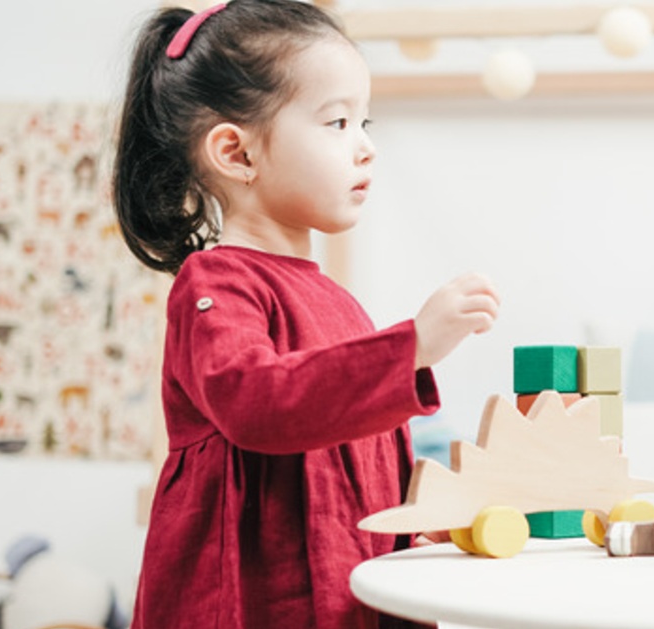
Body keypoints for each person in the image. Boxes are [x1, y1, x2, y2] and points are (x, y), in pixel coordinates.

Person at [112, 1, 499, 626]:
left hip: (345, 591)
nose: (366, 147)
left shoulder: (338, 300)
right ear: (237, 154)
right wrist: (413, 346)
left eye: (363, 121)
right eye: (338, 122)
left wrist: (408, 534)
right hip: (252, 601)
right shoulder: (215, 283)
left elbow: (367, 455)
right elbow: (258, 404)